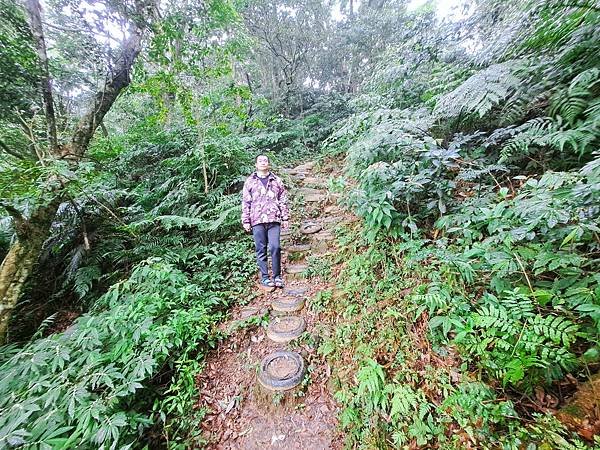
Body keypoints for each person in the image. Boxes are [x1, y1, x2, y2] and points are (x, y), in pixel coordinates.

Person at [242, 155, 289, 288]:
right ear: (256, 164)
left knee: (275, 247)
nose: (263, 163)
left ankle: (277, 276)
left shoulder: (276, 180)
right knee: (261, 249)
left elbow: (283, 200)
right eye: (260, 161)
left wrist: (285, 217)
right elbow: (246, 202)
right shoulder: (250, 181)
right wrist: (246, 221)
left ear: (268, 164)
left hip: (274, 219)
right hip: (257, 220)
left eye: (265, 161)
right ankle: (265, 277)